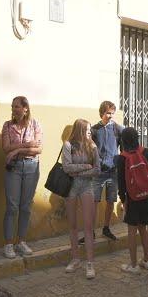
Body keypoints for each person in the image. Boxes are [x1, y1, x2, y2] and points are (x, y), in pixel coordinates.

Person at [0, 96, 43, 259]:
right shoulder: (7, 125)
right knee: (12, 206)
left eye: (16, 106)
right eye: (12, 106)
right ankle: (9, 243)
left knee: (25, 206)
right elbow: (5, 147)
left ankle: (21, 241)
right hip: (14, 168)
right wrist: (27, 145)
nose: (13, 109)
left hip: (32, 166)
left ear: (25, 108)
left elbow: (38, 149)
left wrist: (17, 150)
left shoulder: (35, 124)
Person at [115, 127, 148, 274]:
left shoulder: (122, 158)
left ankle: (133, 265)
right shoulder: (147, 153)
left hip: (132, 198)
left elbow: (121, 182)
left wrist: (123, 200)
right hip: (147, 196)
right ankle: (147, 260)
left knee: (132, 230)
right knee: (143, 228)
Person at [62, 119, 101, 279]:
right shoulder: (68, 145)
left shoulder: (92, 146)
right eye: (87, 130)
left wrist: (78, 172)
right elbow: (66, 167)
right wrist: (85, 167)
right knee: (72, 224)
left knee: (88, 225)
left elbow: (97, 169)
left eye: (90, 130)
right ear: (79, 130)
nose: (89, 133)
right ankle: (75, 258)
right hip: (70, 187)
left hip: (87, 186)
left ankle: (90, 263)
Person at [85, 101, 124, 244]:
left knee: (110, 201)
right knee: (94, 201)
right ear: (102, 113)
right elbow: (90, 149)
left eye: (112, 113)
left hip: (113, 172)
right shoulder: (95, 130)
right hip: (98, 172)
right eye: (108, 113)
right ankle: (91, 231)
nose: (110, 116)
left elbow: (124, 149)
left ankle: (106, 228)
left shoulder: (117, 129)